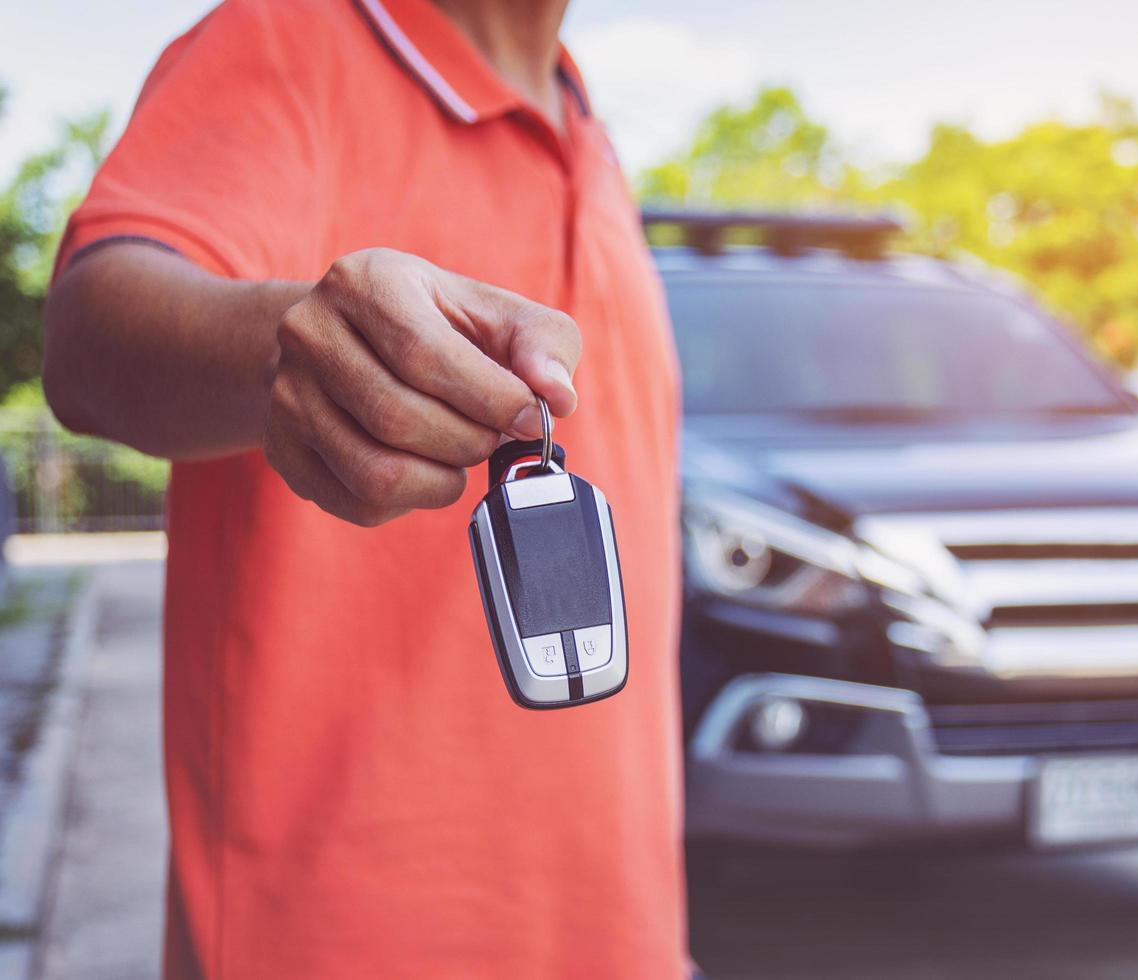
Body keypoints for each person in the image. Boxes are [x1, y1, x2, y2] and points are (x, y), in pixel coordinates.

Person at [42, 0, 685, 976]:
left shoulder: (585, 120)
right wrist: (284, 343)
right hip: (333, 939)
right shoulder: (285, 37)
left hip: (617, 933)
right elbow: (87, 341)